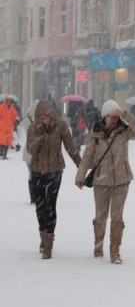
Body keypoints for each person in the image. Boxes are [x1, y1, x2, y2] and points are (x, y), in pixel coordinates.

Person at [75, 100, 135, 264]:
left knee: (117, 216)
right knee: (101, 215)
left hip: (122, 179)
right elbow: (87, 157)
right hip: (101, 180)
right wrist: (80, 176)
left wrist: (126, 114)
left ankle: (115, 252)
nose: (113, 119)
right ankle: (98, 246)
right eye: (110, 116)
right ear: (104, 116)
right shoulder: (96, 133)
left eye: (115, 116)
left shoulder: (124, 131)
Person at [27, 99, 81, 259]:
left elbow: (70, 147)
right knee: (40, 207)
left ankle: (49, 242)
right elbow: (30, 151)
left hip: (55, 171)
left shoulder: (61, 126)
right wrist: (39, 134)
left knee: (50, 206)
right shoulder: (33, 128)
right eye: (41, 115)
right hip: (37, 171)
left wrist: (81, 164)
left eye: (47, 114)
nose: (44, 118)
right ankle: (43, 235)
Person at [19, 100, 39, 203]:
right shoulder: (41, 122)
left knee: (31, 174)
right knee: (38, 174)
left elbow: (21, 125)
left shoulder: (27, 121)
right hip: (37, 152)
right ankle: (37, 195)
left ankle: (33, 196)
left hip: (28, 152)